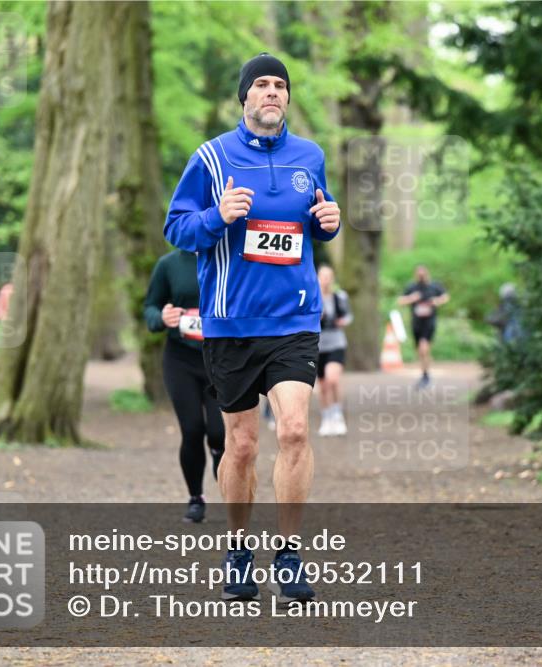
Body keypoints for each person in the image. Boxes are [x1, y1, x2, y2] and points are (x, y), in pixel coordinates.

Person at [163, 53, 341, 604]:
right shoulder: (211, 158)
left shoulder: (309, 156)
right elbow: (177, 227)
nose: (271, 92)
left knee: (293, 431)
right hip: (231, 324)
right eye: (261, 85)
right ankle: (239, 548)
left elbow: (319, 216)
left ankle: (288, 554)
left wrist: (328, 222)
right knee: (240, 445)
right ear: (244, 97)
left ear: (287, 98)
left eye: (279, 85)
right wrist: (217, 215)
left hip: (294, 319)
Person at [143, 249, 226, 524]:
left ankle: (222, 464)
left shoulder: (226, 256)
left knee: (218, 432)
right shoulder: (169, 264)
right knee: (192, 429)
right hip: (181, 359)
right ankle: (195, 499)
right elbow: (150, 308)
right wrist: (161, 318)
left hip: (220, 360)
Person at [398, 265, 449, 389]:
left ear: (427, 274)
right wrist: (411, 298)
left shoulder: (434, 286)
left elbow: (446, 296)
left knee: (423, 348)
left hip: (429, 322)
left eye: (423, 274)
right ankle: (425, 374)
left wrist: (437, 301)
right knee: (421, 352)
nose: (421, 277)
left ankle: (426, 376)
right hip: (416, 323)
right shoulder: (412, 287)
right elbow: (400, 300)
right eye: (418, 275)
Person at [316, 265, 352, 437]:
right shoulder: (313, 297)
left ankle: (337, 415)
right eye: (323, 276)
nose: (326, 280)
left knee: (333, 379)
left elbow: (348, 316)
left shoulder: (340, 296)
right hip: (317, 345)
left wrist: (342, 321)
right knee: (322, 386)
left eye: (329, 276)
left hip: (336, 342)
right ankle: (327, 417)